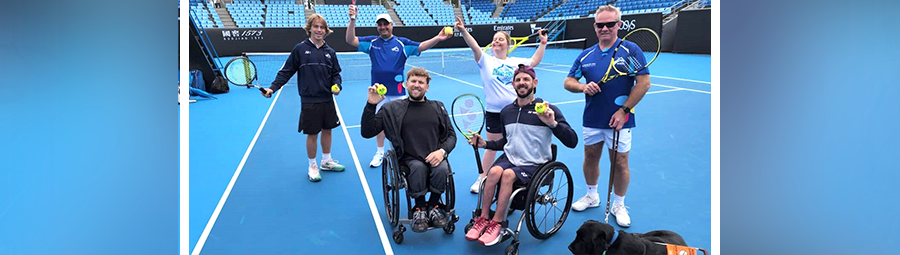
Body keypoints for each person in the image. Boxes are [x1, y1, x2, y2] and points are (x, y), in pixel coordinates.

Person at [464, 64, 578, 246]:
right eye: (518, 80)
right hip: (510, 159)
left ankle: (497, 224)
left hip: (535, 164)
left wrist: (552, 123)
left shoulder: (549, 110)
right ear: (513, 84)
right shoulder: (506, 112)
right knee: (492, 172)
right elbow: (505, 142)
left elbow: (572, 141)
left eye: (526, 79)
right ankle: (483, 218)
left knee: (508, 175)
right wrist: (485, 144)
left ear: (535, 82)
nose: (521, 83)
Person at [563, 5, 651, 228]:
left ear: (618, 25)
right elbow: (568, 81)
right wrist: (582, 87)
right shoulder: (586, 55)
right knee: (590, 157)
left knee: (620, 163)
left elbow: (643, 83)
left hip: (621, 120)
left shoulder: (630, 51)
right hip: (592, 118)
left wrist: (624, 111)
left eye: (610, 24)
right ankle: (592, 195)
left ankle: (619, 204)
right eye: (600, 25)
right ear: (595, 27)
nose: (605, 28)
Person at [346, 6, 452, 168]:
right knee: (379, 125)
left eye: (386, 24)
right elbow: (350, 40)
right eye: (380, 25)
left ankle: (401, 151)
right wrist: (352, 20)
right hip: (379, 94)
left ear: (391, 25)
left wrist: (438, 38)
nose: (383, 27)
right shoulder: (372, 43)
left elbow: (421, 46)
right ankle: (380, 152)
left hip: (399, 93)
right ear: (377, 27)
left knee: (402, 124)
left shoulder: (402, 43)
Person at [453, 16, 549, 194]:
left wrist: (543, 43)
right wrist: (463, 30)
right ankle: (482, 178)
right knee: (490, 146)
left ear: (508, 44)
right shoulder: (486, 60)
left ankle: (514, 175)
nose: (496, 41)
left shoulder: (515, 63)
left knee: (516, 145)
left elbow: (535, 61)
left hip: (515, 112)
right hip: (494, 112)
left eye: (500, 39)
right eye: (495, 39)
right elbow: (474, 46)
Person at [361, 67, 457, 233]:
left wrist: (441, 152)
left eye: (421, 82)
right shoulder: (391, 108)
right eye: (413, 81)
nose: (416, 85)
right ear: (406, 84)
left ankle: (433, 206)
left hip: (435, 156)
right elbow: (367, 132)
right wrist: (371, 105)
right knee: (418, 168)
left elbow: (451, 136)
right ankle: (419, 208)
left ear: (427, 87)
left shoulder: (437, 107)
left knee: (442, 169)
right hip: (408, 160)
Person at [261, 14, 345, 182]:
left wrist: (337, 86)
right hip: (309, 100)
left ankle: (326, 161)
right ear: (309, 29)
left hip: (327, 99)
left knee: (328, 130)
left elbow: (336, 74)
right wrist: (273, 88)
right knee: (312, 134)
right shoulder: (300, 49)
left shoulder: (330, 52)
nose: (319, 30)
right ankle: (312, 165)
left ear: (326, 30)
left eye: (322, 27)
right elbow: (286, 71)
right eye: (316, 26)